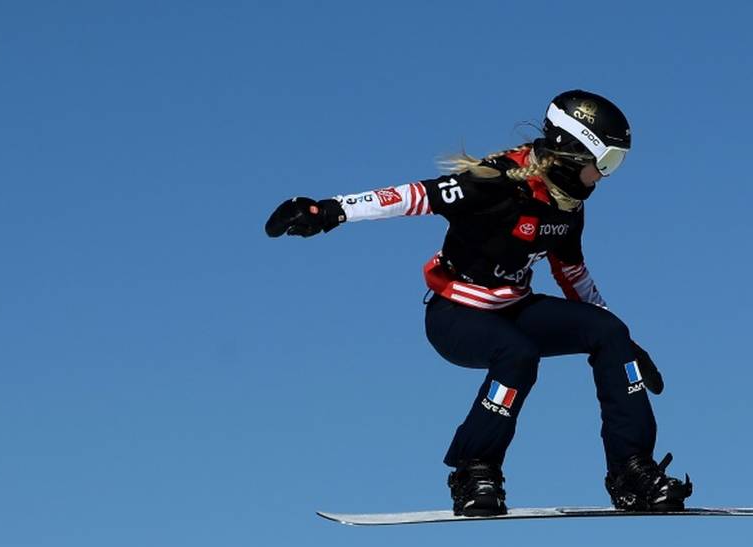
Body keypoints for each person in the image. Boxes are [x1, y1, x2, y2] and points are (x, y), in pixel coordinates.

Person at [265, 90, 692, 517]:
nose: (605, 175)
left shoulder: (567, 207)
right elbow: (415, 196)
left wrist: (625, 347)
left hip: (515, 309)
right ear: (572, 151)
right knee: (517, 355)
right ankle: (475, 471)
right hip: (455, 314)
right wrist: (330, 211)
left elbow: (572, 273)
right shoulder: (495, 184)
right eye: (606, 162)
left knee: (609, 332)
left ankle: (632, 473)